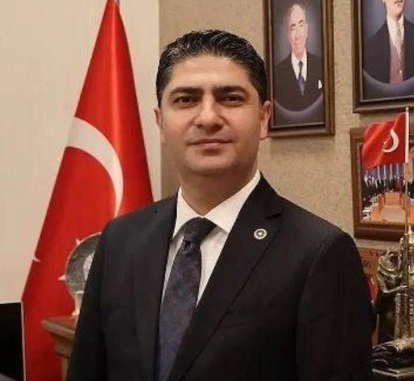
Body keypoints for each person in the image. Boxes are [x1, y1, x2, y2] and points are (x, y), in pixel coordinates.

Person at [67, 30, 373, 380]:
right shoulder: (120, 240)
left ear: (263, 118)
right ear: (160, 122)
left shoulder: (319, 254)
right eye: (186, 99)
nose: (208, 117)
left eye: (231, 98)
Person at [274, 3, 324, 112]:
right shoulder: (277, 73)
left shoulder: (321, 65)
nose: (297, 35)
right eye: (293, 28)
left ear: (307, 30)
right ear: (288, 35)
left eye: (301, 26)